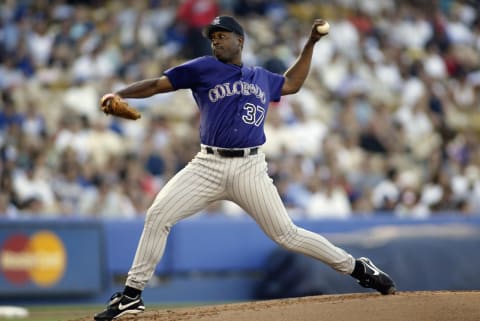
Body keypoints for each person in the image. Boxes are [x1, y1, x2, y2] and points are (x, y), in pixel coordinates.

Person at [94, 16, 396, 321]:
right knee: (158, 215)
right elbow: (158, 84)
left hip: (250, 167)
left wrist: (311, 43)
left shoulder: (261, 77)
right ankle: (131, 296)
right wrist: (122, 94)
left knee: (287, 235)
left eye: (222, 35)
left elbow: (293, 83)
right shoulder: (203, 67)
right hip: (207, 165)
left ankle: (357, 268)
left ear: (240, 41)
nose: (216, 40)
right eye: (213, 37)